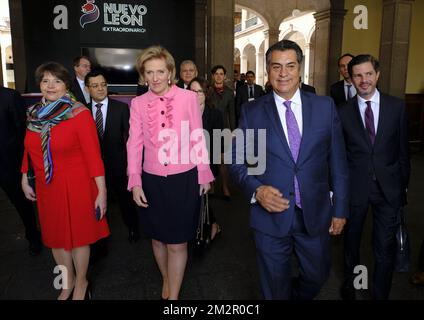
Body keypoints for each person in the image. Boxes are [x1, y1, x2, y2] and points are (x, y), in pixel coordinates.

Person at [229, 39, 349, 300]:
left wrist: (340, 208)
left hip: (315, 213)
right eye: (276, 67)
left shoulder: (324, 107)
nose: (283, 73)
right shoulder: (251, 112)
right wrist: (257, 190)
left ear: (300, 69)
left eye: (290, 66)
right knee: (273, 285)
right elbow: (236, 161)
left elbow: (338, 161)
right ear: (268, 72)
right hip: (269, 216)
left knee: (317, 275)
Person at [127, 46, 214, 300]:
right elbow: (134, 144)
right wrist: (135, 182)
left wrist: (204, 173)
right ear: (143, 75)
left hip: (183, 179)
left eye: (160, 72)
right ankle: (166, 277)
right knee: (157, 239)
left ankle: (173, 296)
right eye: (149, 72)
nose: (155, 78)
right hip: (151, 181)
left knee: (177, 242)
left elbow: (198, 136)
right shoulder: (138, 103)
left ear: (170, 73)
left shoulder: (188, 98)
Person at [21, 62, 109, 300]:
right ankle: (66, 282)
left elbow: (93, 155)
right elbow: (29, 148)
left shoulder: (78, 113)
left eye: (57, 81)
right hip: (46, 186)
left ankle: (81, 282)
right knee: (56, 239)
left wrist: (101, 191)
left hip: (76, 185)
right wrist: (24, 176)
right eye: (45, 80)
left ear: (66, 85)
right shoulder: (34, 114)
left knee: (78, 238)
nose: (50, 86)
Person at [338, 54, 410, 300]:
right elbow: (338, 157)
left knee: (384, 247)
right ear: (350, 77)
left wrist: (403, 189)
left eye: (368, 74)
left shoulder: (396, 106)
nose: (364, 80)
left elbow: (403, 152)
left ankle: (380, 294)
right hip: (355, 189)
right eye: (358, 75)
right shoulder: (342, 112)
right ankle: (351, 283)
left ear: (377, 75)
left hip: (388, 189)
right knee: (352, 243)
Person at [85, 70, 140, 243]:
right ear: (87, 89)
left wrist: (130, 166)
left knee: (126, 201)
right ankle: (102, 236)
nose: (100, 89)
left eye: (103, 84)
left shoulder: (121, 108)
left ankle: (133, 228)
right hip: (93, 168)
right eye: (95, 86)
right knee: (98, 202)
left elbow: (131, 139)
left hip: (119, 164)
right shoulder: (82, 111)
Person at [0, 86, 42, 255]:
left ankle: (33, 236)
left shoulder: (9, 96)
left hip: (8, 164)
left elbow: (22, 131)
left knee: (22, 204)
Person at [188, 77, 224, 240]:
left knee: (203, 195)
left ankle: (212, 224)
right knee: (195, 197)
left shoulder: (215, 114)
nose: (195, 95)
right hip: (187, 162)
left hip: (207, 162)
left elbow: (217, 143)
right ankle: (206, 224)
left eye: (199, 91)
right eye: (192, 91)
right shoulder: (183, 112)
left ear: (206, 93)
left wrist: (209, 167)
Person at [209, 65, 235, 200]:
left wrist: (233, 131)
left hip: (224, 130)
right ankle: (212, 186)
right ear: (213, 76)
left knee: (223, 161)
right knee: (210, 160)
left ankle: (225, 187)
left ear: (224, 76)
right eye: (216, 74)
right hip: (209, 129)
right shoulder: (208, 91)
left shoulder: (230, 93)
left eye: (221, 74)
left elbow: (232, 114)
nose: (219, 76)